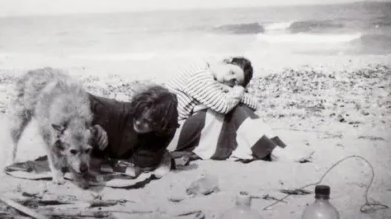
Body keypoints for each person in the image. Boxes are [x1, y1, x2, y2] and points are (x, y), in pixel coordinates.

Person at [165, 56, 312, 162]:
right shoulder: (199, 73)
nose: (230, 80)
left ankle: (276, 148)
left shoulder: (211, 78)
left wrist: (233, 90)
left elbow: (253, 105)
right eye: (232, 72)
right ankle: (274, 151)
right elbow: (222, 106)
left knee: (237, 107)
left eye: (235, 81)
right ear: (225, 61)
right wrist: (237, 89)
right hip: (172, 135)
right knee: (232, 109)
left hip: (183, 129)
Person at [89, 85, 179, 173]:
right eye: (137, 115)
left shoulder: (165, 131)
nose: (139, 122)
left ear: (160, 125)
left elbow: (142, 163)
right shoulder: (115, 110)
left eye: (147, 122)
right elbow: (80, 96)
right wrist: (89, 126)